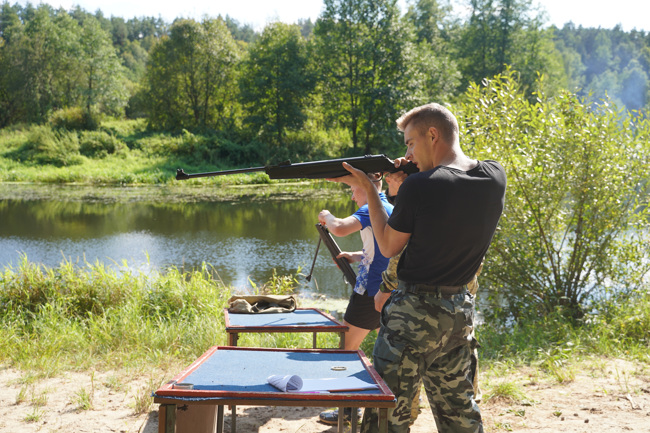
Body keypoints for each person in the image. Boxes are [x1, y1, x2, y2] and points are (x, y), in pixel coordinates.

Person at [328, 103, 506, 433]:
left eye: (410, 142)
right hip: (458, 314)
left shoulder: (420, 187)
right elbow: (447, 193)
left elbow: (387, 245)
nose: (406, 152)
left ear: (433, 135)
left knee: (386, 414)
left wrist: (371, 189)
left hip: (411, 318)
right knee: (459, 414)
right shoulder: (494, 176)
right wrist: (413, 176)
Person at [316, 172, 394, 425]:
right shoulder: (391, 207)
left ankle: (349, 412)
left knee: (346, 352)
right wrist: (357, 255)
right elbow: (386, 250)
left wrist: (326, 216)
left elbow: (338, 228)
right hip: (389, 290)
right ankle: (365, 405)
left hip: (370, 292)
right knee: (375, 352)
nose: (351, 196)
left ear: (365, 186)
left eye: (352, 188)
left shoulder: (371, 208)